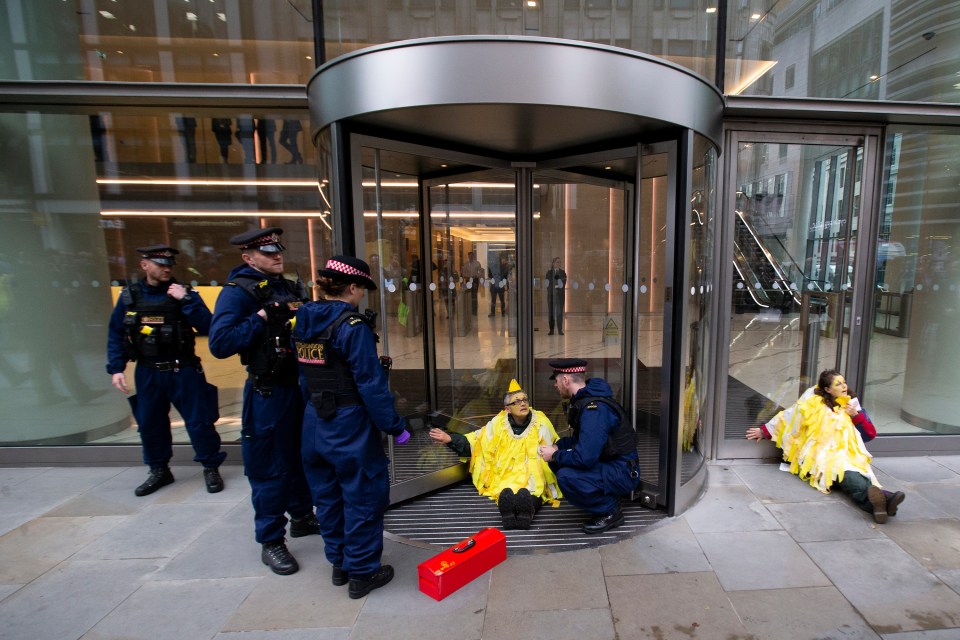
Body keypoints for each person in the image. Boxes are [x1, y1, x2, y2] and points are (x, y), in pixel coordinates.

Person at [293, 255, 411, 599]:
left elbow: (304, 374)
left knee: (328, 498)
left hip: (314, 420)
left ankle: (340, 564)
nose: (362, 297)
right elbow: (371, 384)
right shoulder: (352, 327)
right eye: (362, 290)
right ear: (353, 287)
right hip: (348, 425)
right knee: (362, 496)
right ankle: (363, 572)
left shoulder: (303, 318)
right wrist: (394, 426)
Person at [208, 227, 320, 576]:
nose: (277, 256)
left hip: (299, 387)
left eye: (278, 250)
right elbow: (221, 342)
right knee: (269, 467)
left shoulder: (287, 286)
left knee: (302, 457)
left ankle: (302, 516)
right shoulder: (237, 293)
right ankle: (271, 540)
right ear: (248, 258)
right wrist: (259, 319)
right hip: (268, 391)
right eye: (268, 252)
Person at [106, 245, 226, 497]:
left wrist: (186, 300)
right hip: (148, 371)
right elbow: (116, 333)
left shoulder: (185, 293)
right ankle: (159, 470)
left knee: (199, 422)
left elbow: (208, 326)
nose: (166, 268)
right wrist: (116, 368)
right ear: (144, 265)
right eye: (160, 264)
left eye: (169, 263)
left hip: (183, 369)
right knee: (150, 424)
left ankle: (210, 466)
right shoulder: (131, 296)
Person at [745, 369, 906, 523]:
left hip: (847, 453)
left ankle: (880, 504)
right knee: (848, 474)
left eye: (844, 382)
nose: (844, 387)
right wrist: (764, 431)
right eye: (838, 384)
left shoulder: (852, 405)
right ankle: (885, 500)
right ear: (827, 389)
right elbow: (789, 416)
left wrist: (856, 416)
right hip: (821, 456)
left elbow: (869, 435)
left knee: (855, 471)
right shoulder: (814, 403)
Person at [428, 379, 561, 529]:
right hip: (506, 474)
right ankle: (509, 514)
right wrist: (450, 439)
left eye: (524, 400)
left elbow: (555, 445)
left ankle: (527, 511)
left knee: (533, 491)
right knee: (507, 491)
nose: (523, 403)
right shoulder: (497, 424)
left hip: (534, 473)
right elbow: (477, 441)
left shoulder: (541, 422)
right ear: (507, 409)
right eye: (516, 402)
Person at [539, 359, 641, 534]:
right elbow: (584, 441)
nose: (555, 386)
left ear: (565, 380)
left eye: (556, 381)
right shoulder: (586, 400)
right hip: (613, 464)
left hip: (623, 471)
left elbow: (585, 457)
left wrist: (555, 455)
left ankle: (610, 511)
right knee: (558, 460)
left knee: (566, 476)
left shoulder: (594, 410)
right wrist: (558, 447)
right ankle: (603, 495)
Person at [545, 257, 567, 335]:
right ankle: (551, 330)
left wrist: (556, 285)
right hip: (551, 296)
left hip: (560, 296)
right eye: (557, 262)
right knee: (551, 313)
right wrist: (555, 285)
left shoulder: (563, 272)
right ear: (553, 263)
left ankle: (560, 330)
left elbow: (563, 283)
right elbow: (548, 284)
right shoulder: (549, 273)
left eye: (560, 262)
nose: (559, 263)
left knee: (559, 313)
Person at [463, 251, 483, 316]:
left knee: (474, 295)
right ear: (468, 256)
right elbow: (463, 273)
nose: (470, 257)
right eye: (469, 256)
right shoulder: (465, 264)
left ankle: (474, 310)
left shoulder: (477, 263)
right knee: (468, 295)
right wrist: (466, 276)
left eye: (472, 256)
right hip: (468, 281)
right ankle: (469, 309)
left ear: (473, 256)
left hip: (475, 281)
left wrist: (476, 276)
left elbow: (480, 272)